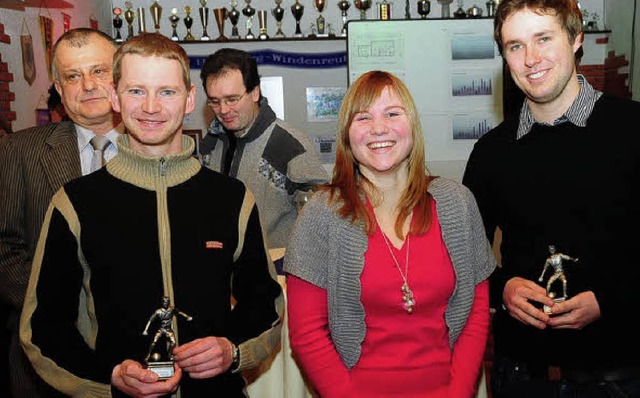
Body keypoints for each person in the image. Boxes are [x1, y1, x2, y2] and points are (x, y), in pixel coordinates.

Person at [19, 32, 284, 398]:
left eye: (167, 92)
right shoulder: (75, 203)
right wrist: (108, 375)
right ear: (115, 96)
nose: (151, 107)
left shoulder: (231, 198)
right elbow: (43, 327)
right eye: (136, 91)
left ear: (190, 99)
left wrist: (231, 349)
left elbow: (264, 305)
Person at [462, 0, 640, 397]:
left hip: (621, 377)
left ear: (576, 38)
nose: (531, 59)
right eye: (515, 46)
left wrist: (610, 300)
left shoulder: (632, 130)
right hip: (523, 377)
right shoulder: (491, 153)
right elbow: (465, 260)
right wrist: (502, 289)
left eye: (543, 38)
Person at [284, 70, 497, 397]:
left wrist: (458, 392)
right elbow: (307, 335)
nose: (378, 128)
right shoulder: (322, 213)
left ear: (412, 125)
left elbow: (477, 313)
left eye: (393, 114)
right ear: (347, 135)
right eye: (363, 117)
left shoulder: (456, 203)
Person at [0, 27, 122, 397]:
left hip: (141, 354)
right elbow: (3, 247)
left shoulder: (157, 150)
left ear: (119, 76)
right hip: (48, 357)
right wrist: (59, 307)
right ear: (58, 85)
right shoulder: (19, 152)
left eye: (99, 71)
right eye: (73, 75)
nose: (88, 85)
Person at [199, 48, 329, 250]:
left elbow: (324, 218)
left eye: (232, 99)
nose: (223, 110)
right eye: (214, 101)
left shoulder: (289, 145)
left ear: (254, 93)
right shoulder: (210, 143)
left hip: (276, 270)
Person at [143, 296, 193, 363]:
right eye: (164, 302)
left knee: (173, 342)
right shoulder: (158, 311)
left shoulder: (171, 309)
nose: (165, 304)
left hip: (168, 330)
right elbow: (150, 320)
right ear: (162, 303)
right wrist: (146, 330)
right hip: (161, 329)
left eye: (166, 302)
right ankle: (148, 355)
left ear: (168, 303)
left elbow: (180, 312)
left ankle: (169, 355)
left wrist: (187, 316)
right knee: (154, 342)